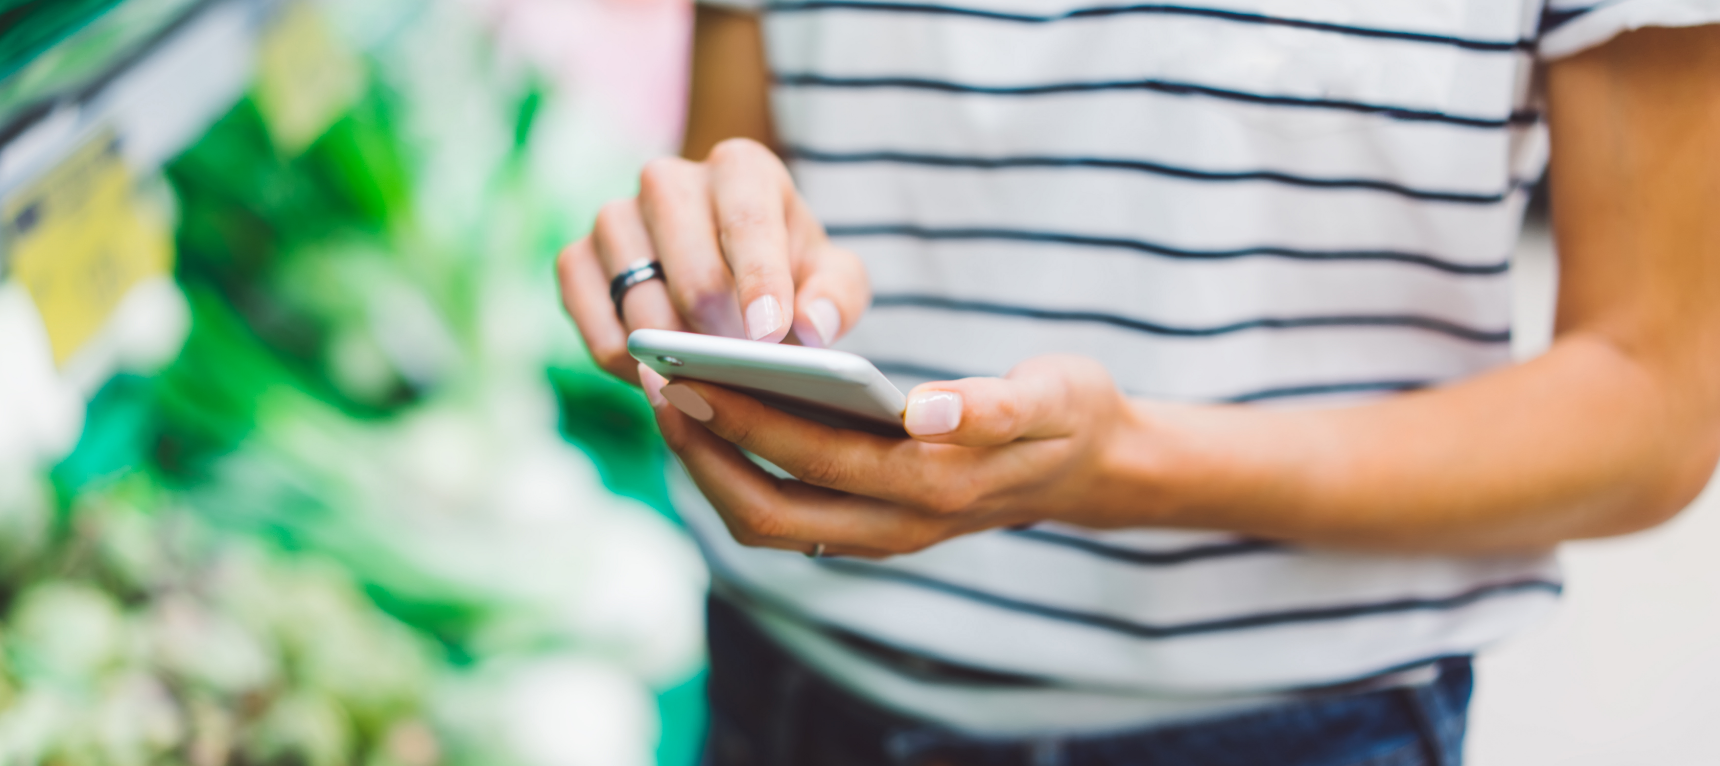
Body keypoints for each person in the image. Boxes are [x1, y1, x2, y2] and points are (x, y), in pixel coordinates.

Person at [558, 1, 1720, 763]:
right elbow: (737, 164)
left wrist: (1134, 467)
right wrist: (696, 256)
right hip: (786, 697)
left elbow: (1653, 402)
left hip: (1296, 729)